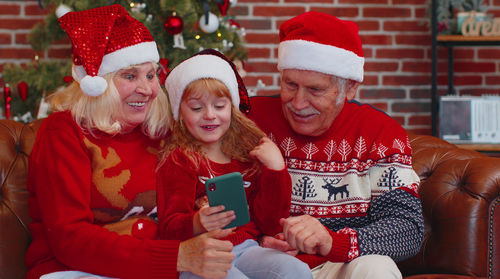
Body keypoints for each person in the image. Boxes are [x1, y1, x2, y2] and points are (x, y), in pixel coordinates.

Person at [26, 5, 235, 279]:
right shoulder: (64, 131)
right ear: (98, 84)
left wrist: (203, 209)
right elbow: (70, 239)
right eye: (129, 76)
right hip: (74, 270)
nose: (147, 89)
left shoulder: (160, 131)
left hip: (160, 266)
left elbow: (190, 197)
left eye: (150, 75)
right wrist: (177, 257)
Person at [248, 11, 424, 279]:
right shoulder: (249, 121)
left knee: (375, 267)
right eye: (290, 84)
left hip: (338, 266)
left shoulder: (381, 134)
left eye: (315, 90)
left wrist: (332, 242)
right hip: (261, 265)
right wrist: (255, 241)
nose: (297, 102)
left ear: (350, 87)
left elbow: (407, 229)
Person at [157, 49, 313, 279]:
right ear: (179, 112)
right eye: (197, 108)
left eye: (219, 106)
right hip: (202, 253)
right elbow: (168, 229)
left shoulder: (245, 156)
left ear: (232, 108)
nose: (210, 115)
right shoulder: (180, 160)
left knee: (294, 269)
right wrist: (198, 222)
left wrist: (276, 169)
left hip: (246, 248)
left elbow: (270, 223)